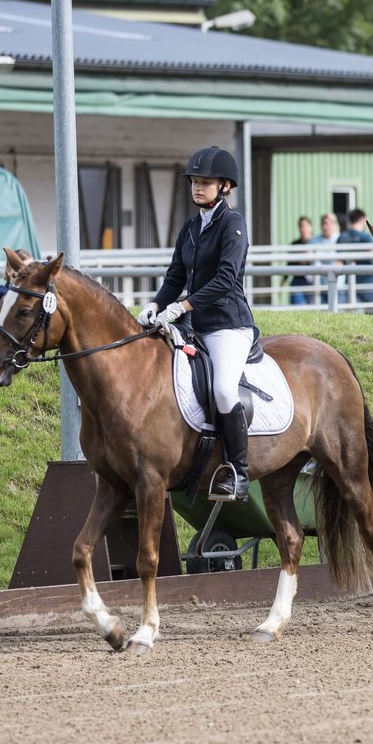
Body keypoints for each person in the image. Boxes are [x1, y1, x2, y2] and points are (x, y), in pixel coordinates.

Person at [138, 146, 254, 502]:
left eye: (205, 183)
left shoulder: (232, 224)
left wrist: (182, 305)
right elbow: (175, 276)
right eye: (194, 182)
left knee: (222, 390)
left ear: (225, 186)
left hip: (227, 325)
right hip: (191, 324)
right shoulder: (190, 227)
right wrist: (156, 305)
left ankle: (239, 471)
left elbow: (225, 278)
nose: (197, 188)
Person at [338, 208, 373, 304]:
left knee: (349, 312)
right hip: (367, 282)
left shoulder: (342, 237)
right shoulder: (366, 237)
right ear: (362, 219)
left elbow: (338, 260)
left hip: (349, 282)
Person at [288, 215, 315, 306]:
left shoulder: (316, 242)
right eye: (301, 226)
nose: (303, 229)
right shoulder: (295, 244)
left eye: (305, 226)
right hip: (298, 279)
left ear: (311, 227)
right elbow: (289, 264)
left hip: (314, 280)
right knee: (297, 306)